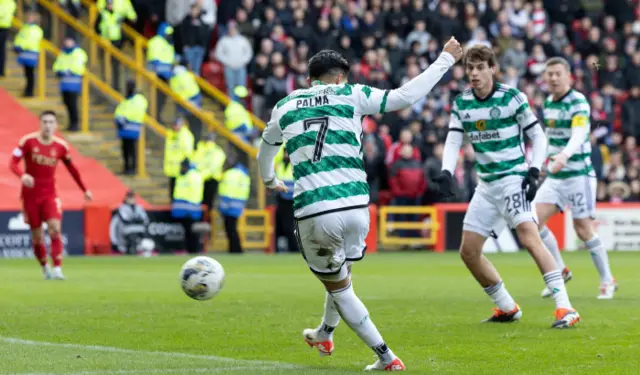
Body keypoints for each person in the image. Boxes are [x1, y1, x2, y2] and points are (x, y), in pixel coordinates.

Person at [257, 40, 463, 371]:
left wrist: (269, 180)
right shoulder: (352, 95)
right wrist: (444, 60)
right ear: (340, 78)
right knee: (342, 272)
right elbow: (404, 96)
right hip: (356, 207)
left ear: (311, 78)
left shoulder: (285, 105)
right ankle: (324, 333)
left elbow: (265, 151)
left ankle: (386, 356)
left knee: (338, 284)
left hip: (316, 210)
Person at [431, 45, 580, 328]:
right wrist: (447, 171)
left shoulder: (512, 97)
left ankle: (566, 308)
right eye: (469, 68)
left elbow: (537, 136)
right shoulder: (462, 102)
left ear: (492, 69)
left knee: (529, 237)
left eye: (479, 68)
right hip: (486, 186)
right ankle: (507, 306)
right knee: (468, 252)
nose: (473, 74)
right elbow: (453, 140)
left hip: (513, 179)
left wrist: (534, 171)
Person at [536, 57, 617, 299]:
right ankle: (559, 271)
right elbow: (550, 137)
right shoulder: (548, 102)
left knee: (582, 229)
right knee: (532, 222)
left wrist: (563, 156)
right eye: (549, 74)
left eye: (557, 73)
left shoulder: (578, 101)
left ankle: (607, 280)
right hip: (555, 177)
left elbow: (579, 133)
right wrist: (544, 161)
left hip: (578, 175)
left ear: (569, 76)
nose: (552, 78)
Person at [9, 110, 92, 280]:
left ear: (56, 125)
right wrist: (22, 175)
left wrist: (84, 190)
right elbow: (12, 163)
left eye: (51, 122)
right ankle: (44, 266)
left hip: (50, 194)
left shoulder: (61, 146)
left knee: (55, 228)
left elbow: (73, 170)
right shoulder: (28, 142)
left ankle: (57, 268)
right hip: (30, 196)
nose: (47, 125)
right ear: (40, 124)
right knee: (37, 236)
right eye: (45, 122)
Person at [52, 37, 87, 132]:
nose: (67, 45)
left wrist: (68, 71)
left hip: (74, 83)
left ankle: (75, 123)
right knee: (66, 102)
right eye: (66, 43)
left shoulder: (79, 53)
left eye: (69, 43)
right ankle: (71, 123)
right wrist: (59, 71)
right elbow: (57, 65)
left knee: (73, 104)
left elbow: (79, 66)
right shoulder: (63, 53)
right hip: (64, 83)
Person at [114, 80, 148, 175]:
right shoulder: (127, 100)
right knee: (125, 148)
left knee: (132, 149)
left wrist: (125, 118)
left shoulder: (138, 99)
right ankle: (127, 167)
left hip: (132, 127)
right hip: (124, 128)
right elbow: (119, 111)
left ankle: (132, 168)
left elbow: (135, 111)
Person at [218, 158, 250, 254]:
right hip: (237, 204)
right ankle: (234, 249)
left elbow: (226, 190)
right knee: (232, 228)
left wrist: (223, 205)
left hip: (229, 204)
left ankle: (235, 249)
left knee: (230, 228)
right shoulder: (244, 174)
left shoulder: (229, 174)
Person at [171, 158, 203, 254]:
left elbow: (193, 194)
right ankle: (189, 250)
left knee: (192, 232)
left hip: (191, 209)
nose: (181, 168)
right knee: (187, 232)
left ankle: (194, 250)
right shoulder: (183, 176)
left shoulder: (193, 176)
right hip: (184, 210)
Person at [147, 23, 175, 120]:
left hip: (166, 75)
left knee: (163, 97)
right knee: (157, 96)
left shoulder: (169, 44)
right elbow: (154, 60)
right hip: (157, 75)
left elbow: (171, 59)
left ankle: (158, 115)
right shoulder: (155, 42)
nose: (169, 35)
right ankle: (155, 116)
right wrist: (162, 72)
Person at [170, 61, 202, 143]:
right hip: (192, 100)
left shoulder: (173, 77)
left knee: (181, 123)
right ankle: (195, 143)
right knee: (196, 124)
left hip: (181, 101)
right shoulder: (187, 74)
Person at [193, 133, 226, 211]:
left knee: (205, 203)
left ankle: (204, 219)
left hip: (208, 179)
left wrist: (200, 176)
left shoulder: (201, 149)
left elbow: (213, 167)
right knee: (205, 203)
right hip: (202, 179)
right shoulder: (203, 149)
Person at [13, 11, 43, 97]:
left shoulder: (37, 30)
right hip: (24, 53)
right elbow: (19, 37)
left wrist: (22, 46)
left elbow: (31, 41)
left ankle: (30, 91)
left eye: (31, 18)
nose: (29, 19)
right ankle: (27, 90)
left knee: (30, 73)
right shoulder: (25, 28)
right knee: (26, 73)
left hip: (31, 53)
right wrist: (16, 45)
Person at [274, 148, 298, 253]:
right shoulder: (280, 165)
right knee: (279, 226)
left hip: (292, 200)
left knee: (289, 226)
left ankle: (295, 249)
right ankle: (280, 249)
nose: (286, 155)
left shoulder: (296, 165)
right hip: (281, 199)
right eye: (285, 153)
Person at [97, 0, 124, 90]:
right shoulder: (102, 14)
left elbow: (121, 30)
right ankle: (104, 83)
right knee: (104, 63)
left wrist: (120, 43)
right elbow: (96, 27)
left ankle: (116, 86)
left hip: (115, 42)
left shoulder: (117, 15)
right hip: (105, 41)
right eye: (108, 4)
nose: (110, 6)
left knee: (115, 65)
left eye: (111, 4)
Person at [110, 190, 149, 254]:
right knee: (132, 237)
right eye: (130, 197)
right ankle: (131, 250)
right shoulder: (122, 207)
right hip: (127, 230)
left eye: (132, 197)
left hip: (140, 229)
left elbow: (145, 219)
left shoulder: (139, 207)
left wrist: (134, 220)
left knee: (147, 238)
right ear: (126, 198)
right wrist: (137, 220)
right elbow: (126, 220)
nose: (131, 199)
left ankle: (146, 251)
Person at [164, 117, 194, 199]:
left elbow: (188, 152)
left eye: (176, 125)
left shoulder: (186, 135)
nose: (174, 127)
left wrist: (185, 165)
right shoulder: (170, 135)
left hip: (180, 168)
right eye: (174, 125)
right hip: (171, 168)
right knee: (172, 190)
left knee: (179, 190)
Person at [0, 0, 16, 77]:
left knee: (2, 50)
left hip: (3, 28)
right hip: (5, 27)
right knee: (2, 50)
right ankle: (1, 71)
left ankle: (1, 71)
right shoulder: (11, 3)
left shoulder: (5, 3)